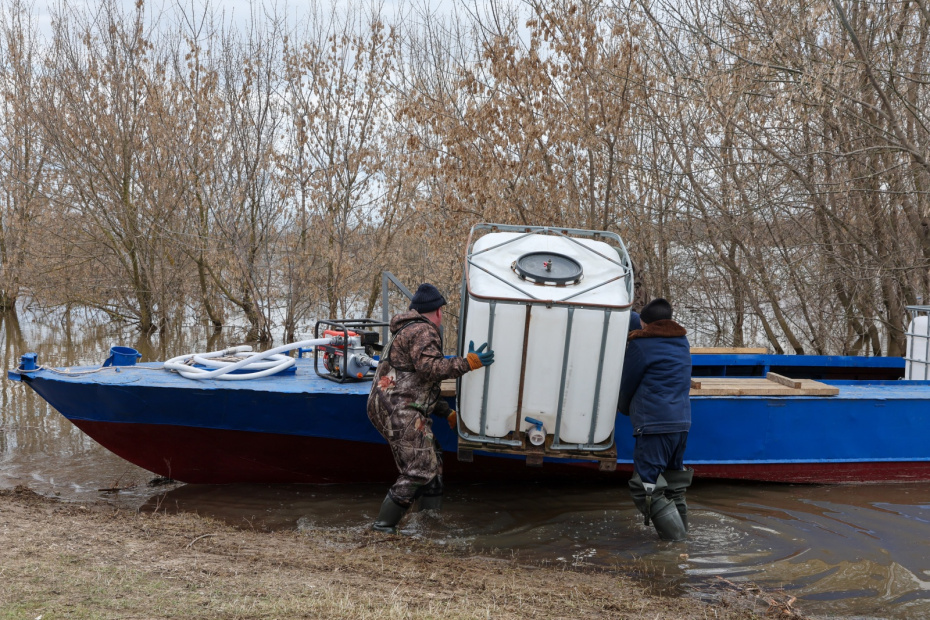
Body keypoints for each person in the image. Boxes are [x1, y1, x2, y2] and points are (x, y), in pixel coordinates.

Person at [367, 283, 494, 533]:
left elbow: (416, 384)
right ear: (437, 311)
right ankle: (382, 528)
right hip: (399, 411)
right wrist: (467, 363)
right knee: (419, 469)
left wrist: (446, 412)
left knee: (433, 459)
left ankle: (428, 522)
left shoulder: (407, 329)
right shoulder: (424, 330)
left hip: (391, 406)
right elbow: (431, 369)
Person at [618, 298, 692, 541]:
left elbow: (627, 384)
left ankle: (675, 545)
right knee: (674, 485)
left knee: (645, 488)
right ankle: (684, 541)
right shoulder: (681, 342)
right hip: (681, 424)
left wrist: (623, 409)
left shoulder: (641, 346)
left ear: (645, 323)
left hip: (653, 426)